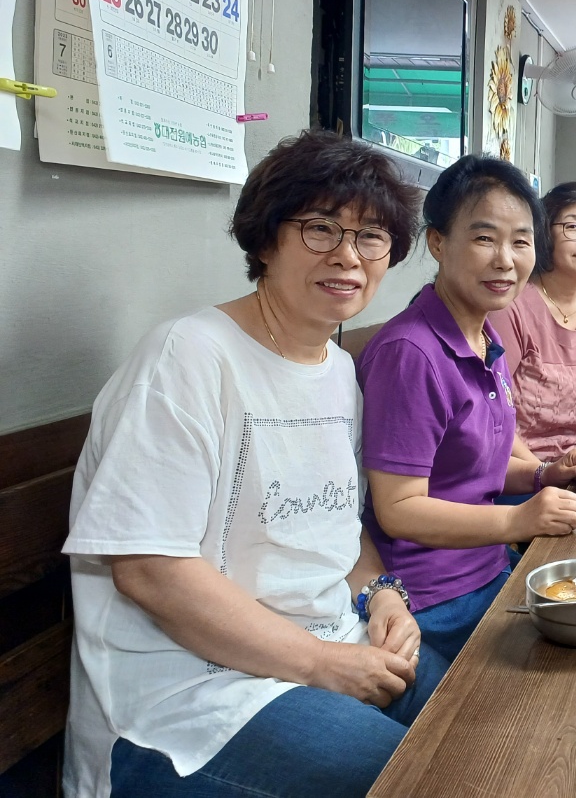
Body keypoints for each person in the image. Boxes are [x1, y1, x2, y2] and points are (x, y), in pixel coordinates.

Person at [63, 131, 444, 798]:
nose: (348, 256)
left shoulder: (339, 371)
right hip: (190, 700)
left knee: (485, 718)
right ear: (265, 239)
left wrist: (383, 595)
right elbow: (150, 570)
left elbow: (334, 523)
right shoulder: (188, 356)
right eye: (321, 228)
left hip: (331, 645)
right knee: (432, 776)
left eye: (371, 237)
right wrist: (322, 662)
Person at [358, 156, 576, 664]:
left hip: (488, 571)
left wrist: (541, 475)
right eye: (485, 238)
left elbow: (468, 467)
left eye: (521, 241)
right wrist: (517, 521)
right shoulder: (411, 353)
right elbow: (398, 508)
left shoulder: (484, 337)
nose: (505, 260)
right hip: (430, 601)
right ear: (438, 242)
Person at [498, 182, 576, 460]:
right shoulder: (510, 306)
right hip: (514, 471)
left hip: (574, 469)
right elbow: (492, 410)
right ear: (543, 232)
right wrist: (543, 474)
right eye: (573, 227)